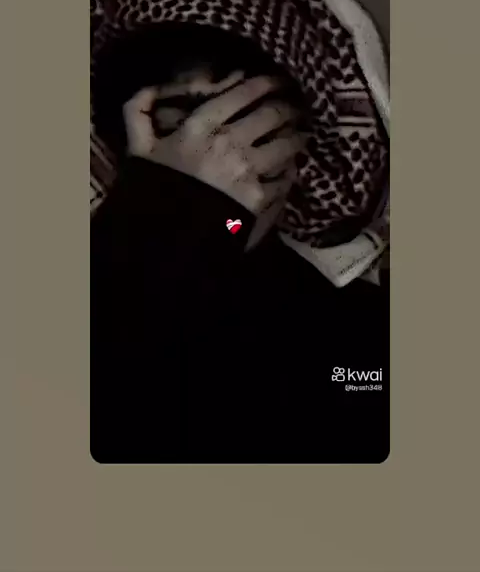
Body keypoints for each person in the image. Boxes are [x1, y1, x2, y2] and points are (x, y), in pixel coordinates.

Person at [90, 24, 389, 464]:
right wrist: (173, 212)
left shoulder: (361, 341)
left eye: (252, 123)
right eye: (188, 125)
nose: (231, 158)